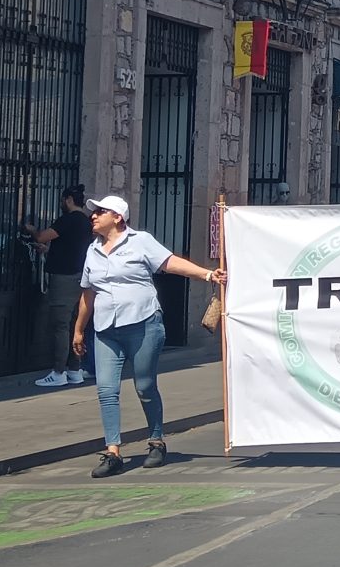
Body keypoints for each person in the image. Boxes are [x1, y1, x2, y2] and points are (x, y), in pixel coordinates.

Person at [74, 194, 223, 477]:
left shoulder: (140, 241)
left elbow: (170, 263)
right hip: (106, 330)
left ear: (118, 217)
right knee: (106, 390)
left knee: (144, 386)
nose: (93, 215)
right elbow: (88, 293)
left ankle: (156, 441)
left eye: (100, 211)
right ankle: (113, 451)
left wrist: (207, 275)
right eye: (94, 212)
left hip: (142, 324)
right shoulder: (92, 250)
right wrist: (79, 330)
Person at [32, 186, 93, 387]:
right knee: (76, 325)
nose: (61, 204)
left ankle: (58, 372)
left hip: (64, 279)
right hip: (80, 277)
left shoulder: (67, 220)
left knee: (60, 325)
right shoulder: (86, 222)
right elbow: (71, 248)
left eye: (62, 200)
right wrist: (49, 251)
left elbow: (42, 236)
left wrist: (31, 230)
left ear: (68, 200)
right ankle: (74, 369)